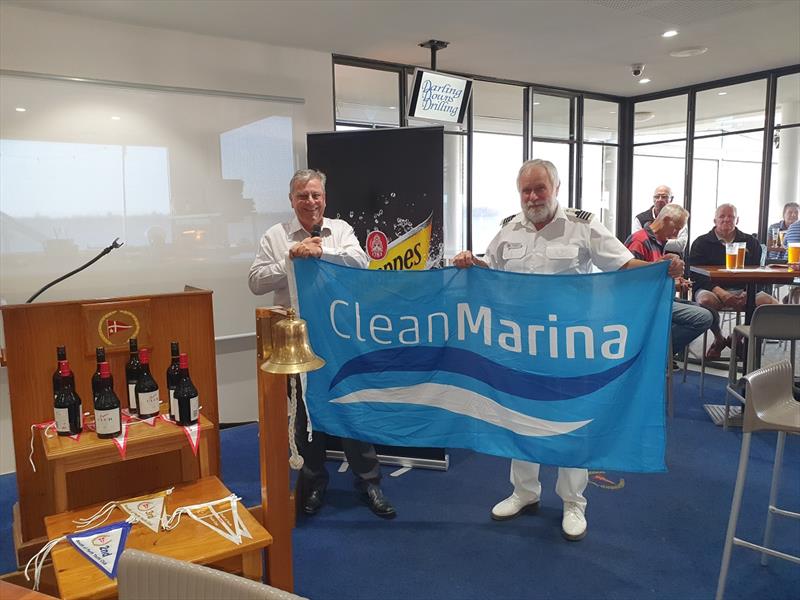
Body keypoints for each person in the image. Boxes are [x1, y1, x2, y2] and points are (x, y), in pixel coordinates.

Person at [453, 159, 683, 542]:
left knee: (571, 418)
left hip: (568, 345)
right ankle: (524, 492)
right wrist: (468, 262)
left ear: (556, 188)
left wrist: (661, 270)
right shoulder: (509, 230)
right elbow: (488, 270)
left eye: (539, 188)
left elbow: (624, 264)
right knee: (520, 415)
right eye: (526, 190)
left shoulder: (582, 225)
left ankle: (574, 501)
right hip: (519, 343)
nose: (532, 197)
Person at [248, 168, 396, 519]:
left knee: (351, 405)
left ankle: (369, 481)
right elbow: (255, 281)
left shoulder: (340, 230)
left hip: (339, 333)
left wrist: (320, 253)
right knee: (304, 411)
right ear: (291, 200)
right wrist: (290, 259)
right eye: (302, 195)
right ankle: (313, 481)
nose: (310, 201)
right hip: (295, 338)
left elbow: (360, 262)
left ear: (324, 199)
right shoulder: (276, 235)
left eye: (316, 195)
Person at [688, 203, 779, 358]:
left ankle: (736, 337)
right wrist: (721, 292)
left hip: (745, 288)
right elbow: (695, 275)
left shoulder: (750, 242)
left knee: (771, 305)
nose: (726, 220)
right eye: (722, 216)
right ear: (714, 220)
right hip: (712, 289)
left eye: (731, 216)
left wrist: (748, 292)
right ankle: (719, 339)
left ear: (738, 220)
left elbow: (760, 272)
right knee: (704, 301)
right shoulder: (701, 242)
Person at [624, 203, 715, 356]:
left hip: (656, 298)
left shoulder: (657, 242)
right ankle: (654, 354)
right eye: (676, 228)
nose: (676, 235)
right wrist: (665, 272)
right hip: (644, 302)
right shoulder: (639, 241)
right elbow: (629, 279)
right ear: (666, 219)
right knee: (703, 317)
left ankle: (655, 350)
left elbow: (652, 272)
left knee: (710, 313)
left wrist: (674, 278)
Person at [632, 185, 688, 256]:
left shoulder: (679, 217)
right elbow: (642, 242)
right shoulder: (640, 219)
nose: (660, 199)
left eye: (664, 197)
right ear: (665, 220)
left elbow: (680, 245)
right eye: (657, 197)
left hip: (673, 262)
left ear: (671, 199)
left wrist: (652, 242)